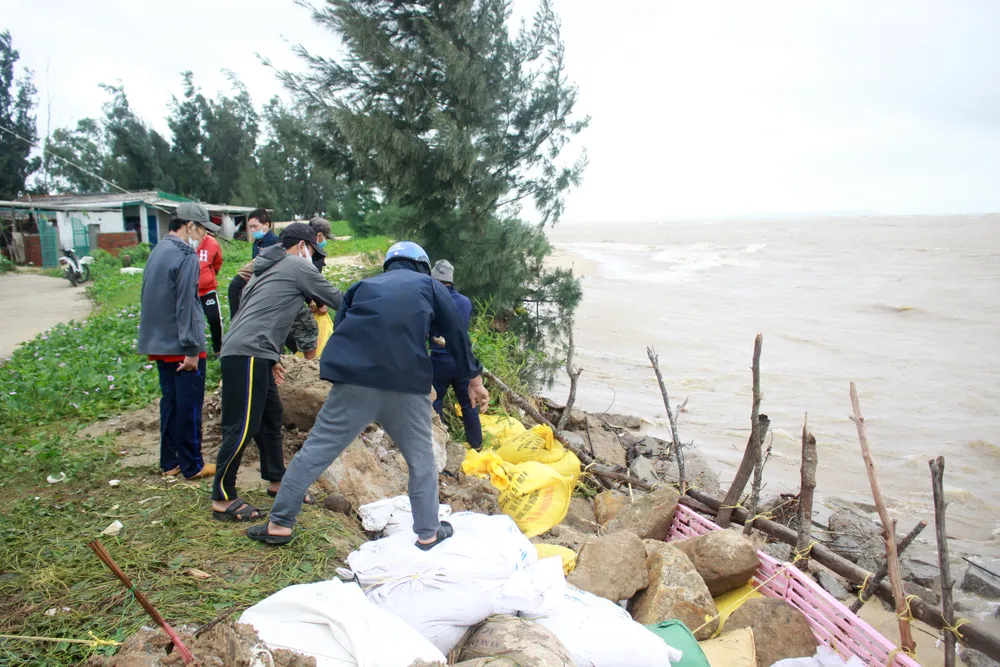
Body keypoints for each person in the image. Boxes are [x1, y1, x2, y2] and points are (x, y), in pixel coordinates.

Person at [248, 241, 489, 548]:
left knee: (315, 451)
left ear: (389, 265)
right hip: (406, 386)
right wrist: (473, 378)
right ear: (422, 266)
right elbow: (456, 331)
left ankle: (280, 523)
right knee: (421, 460)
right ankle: (428, 532)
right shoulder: (430, 286)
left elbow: (343, 327)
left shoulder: (362, 286)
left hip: (354, 382)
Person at [211, 223, 343, 521]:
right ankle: (222, 496)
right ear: (302, 247)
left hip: (254, 351)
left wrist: (271, 356)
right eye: (313, 251)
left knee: (271, 417)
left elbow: (257, 310)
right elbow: (338, 300)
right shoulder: (297, 264)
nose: (314, 257)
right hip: (247, 352)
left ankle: (277, 479)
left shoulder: (262, 269)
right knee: (242, 425)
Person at [137, 202, 216, 480]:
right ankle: (193, 464)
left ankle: (169, 462)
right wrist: (192, 349)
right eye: (202, 229)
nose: (204, 236)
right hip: (182, 347)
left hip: (159, 343)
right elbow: (187, 306)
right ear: (190, 226)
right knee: (190, 407)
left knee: (170, 403)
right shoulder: (186, 256)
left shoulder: (158, 251)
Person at [428, 259, 484, 450]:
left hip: (438, 360)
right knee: (469, 403)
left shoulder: (431, 300)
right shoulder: (465, 302)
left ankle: (442, 444)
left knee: (435, 403)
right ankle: (477, 446)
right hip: (462, 362)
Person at [228, 209, 278, 319]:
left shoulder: (275, 242)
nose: (252, 230)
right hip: (256, 279)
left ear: (266, 225)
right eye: (250, 227)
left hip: (268, 283)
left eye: (255, 226)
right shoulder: (257, 243)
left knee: (235, 286)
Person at [190, 214, 224, 355]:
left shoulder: (212, 243)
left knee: (214, 319)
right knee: (192, 323)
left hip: (207, 290)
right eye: (203, 229)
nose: (205, 232)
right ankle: (193, 351)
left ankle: (219, 350)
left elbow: (217, 262)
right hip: (190, 291)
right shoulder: (184, 243)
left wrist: (208, 277)